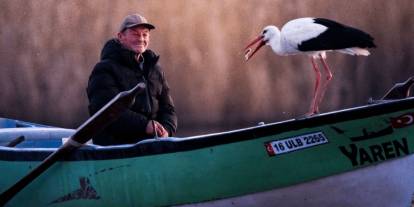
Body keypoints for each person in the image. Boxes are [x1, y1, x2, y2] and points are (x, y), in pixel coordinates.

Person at [86, 13, 177, 145]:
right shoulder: (104, 70)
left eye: (145, 34)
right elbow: (106, 112)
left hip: (153, 148)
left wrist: (166, 131)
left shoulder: (155, 69)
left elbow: (169, 109)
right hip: (116, 151)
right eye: (135, 34)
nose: (141, 39)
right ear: (120, 37)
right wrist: (145, 125)